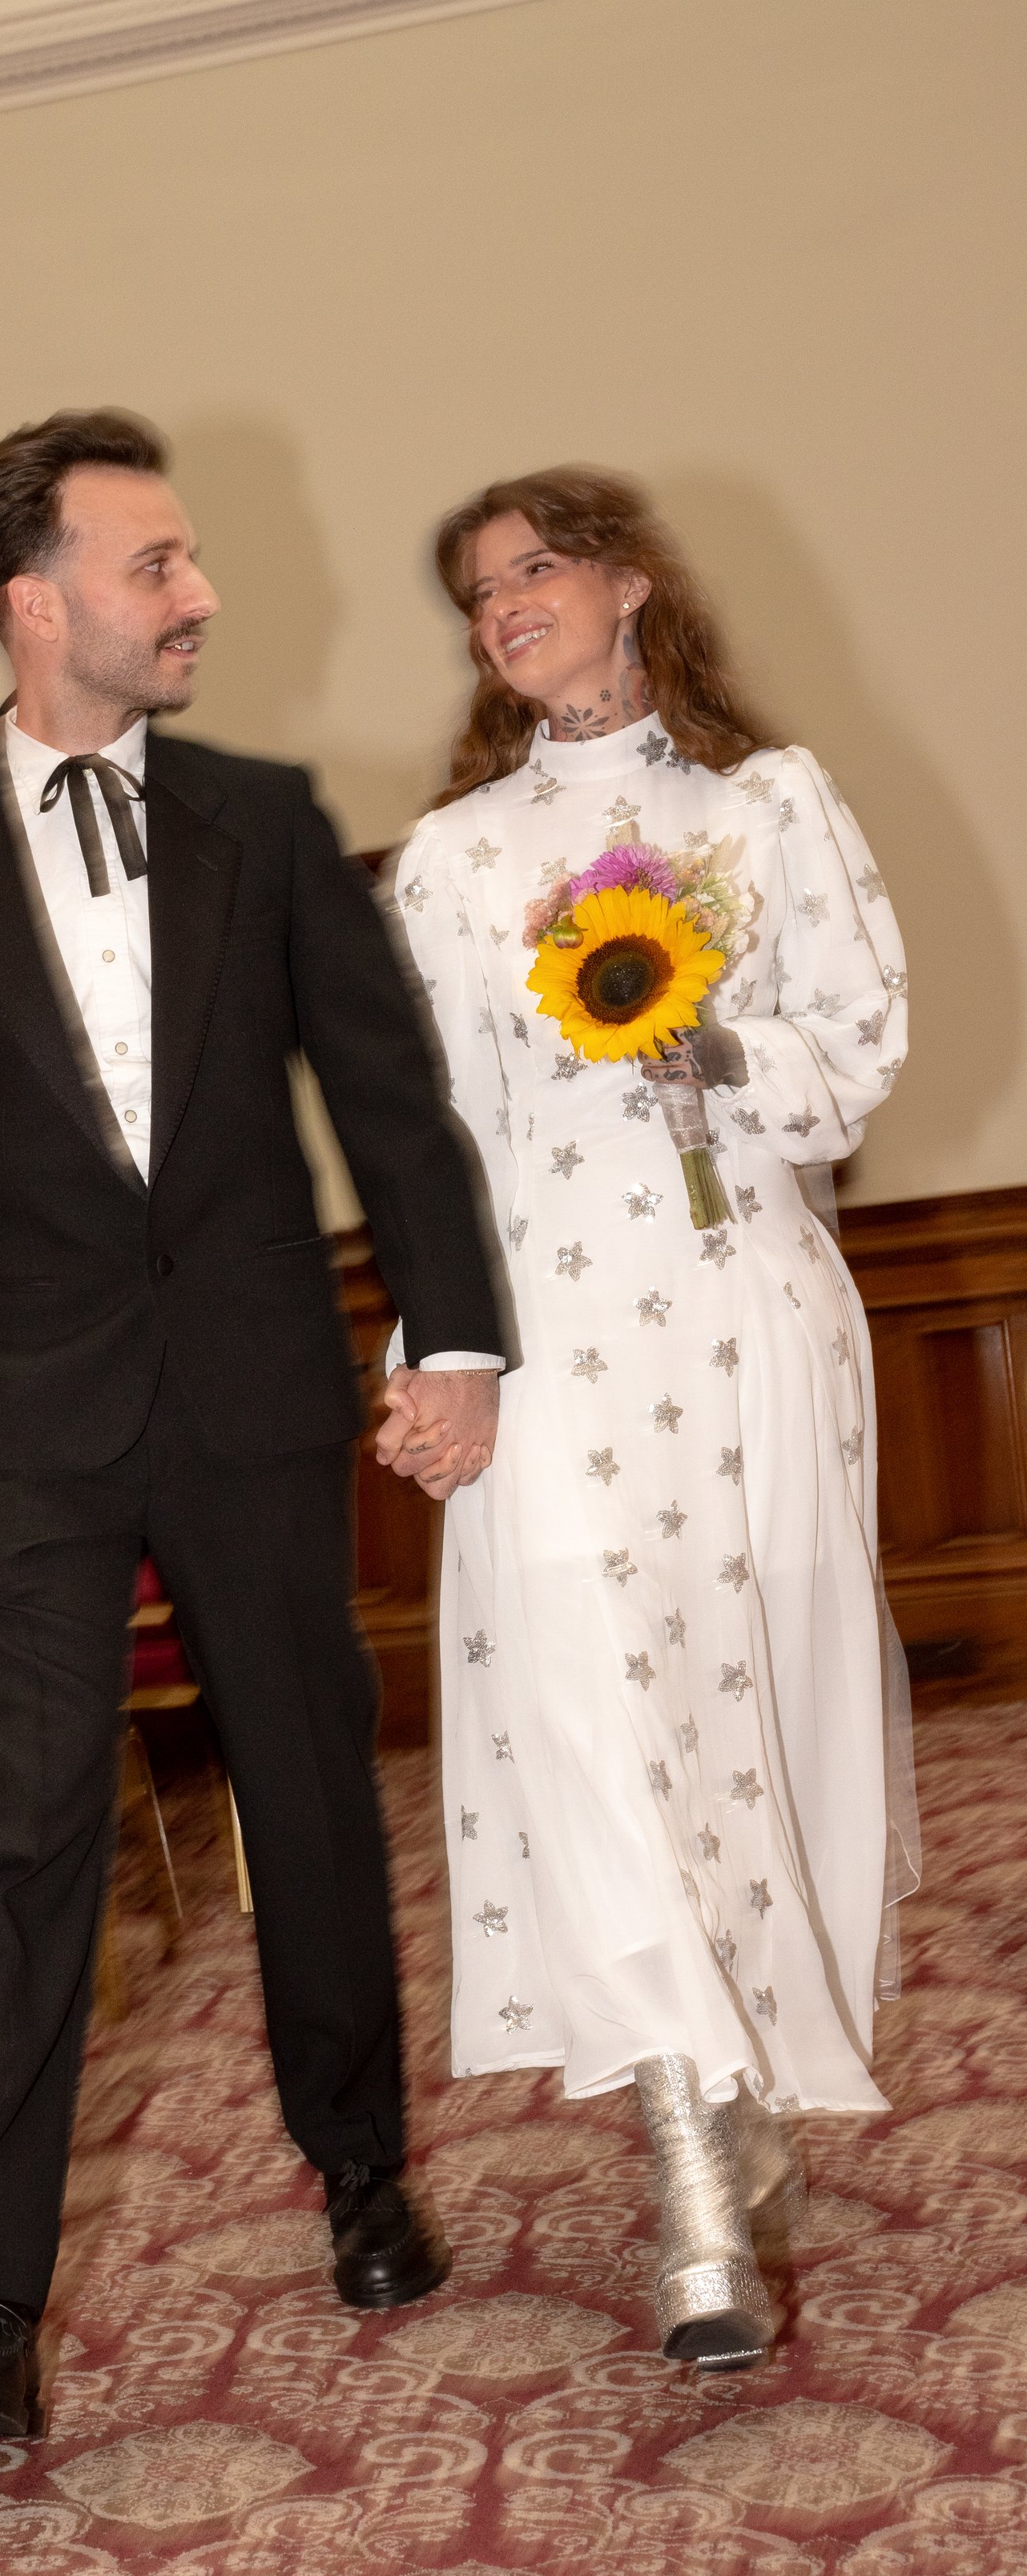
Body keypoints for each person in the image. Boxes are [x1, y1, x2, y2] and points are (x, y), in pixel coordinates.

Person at [0, 408, 505, 2437]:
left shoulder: (268, 820)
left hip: (245, 1393)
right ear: (35, 603)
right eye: (156, 567)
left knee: (301, 1784)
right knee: (32, 1825)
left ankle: (359, 2167)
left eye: (191, 560)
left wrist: (452, 1336)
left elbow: (385, 1105)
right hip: (23, 1427)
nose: (197, 594)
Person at [376, 465, 916, 2369]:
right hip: (548, 1338)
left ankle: (745, 2076)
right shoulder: (448, 862)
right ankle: (686, 2185)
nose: (502, 604)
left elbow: (850, 1059)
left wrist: (704, 1039)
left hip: (745, 1315)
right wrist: (430, 1360)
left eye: (535, 569)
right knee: (585, 1709)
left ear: (624, 586)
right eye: (474, 590)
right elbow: (426, 1139)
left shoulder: (766, 811)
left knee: (738, 1697)